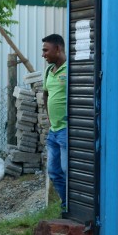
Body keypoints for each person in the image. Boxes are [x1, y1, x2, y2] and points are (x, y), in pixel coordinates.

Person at [42, 33, 68, 214]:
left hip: (67, 130)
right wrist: (50, 118)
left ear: (58, 49)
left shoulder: (70, 69)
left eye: (46, 50)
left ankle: (71, 207)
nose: (43, 54)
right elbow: (45, 94)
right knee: (54, 171)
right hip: (54, 130)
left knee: (68, 170)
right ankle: (66, 204)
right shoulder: (48, 71)